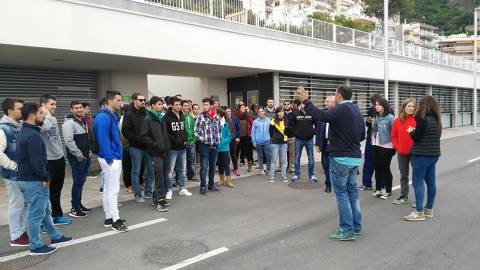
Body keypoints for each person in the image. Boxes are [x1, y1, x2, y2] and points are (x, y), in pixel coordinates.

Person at [297, 85, 365, 241]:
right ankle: (356, 226)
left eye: (335, 95)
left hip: (341, 158)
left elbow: (321, 115)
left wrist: (306, 101)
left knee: (341, 194)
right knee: (352, 193)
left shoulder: (341, 109)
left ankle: (347, 230)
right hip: (354, 157)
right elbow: (362, 135)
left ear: (339, 96)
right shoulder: (356, 111)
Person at [17, 102, 73, 255]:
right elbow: (37, 161)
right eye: (42, 113)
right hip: (33, 180)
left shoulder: (27, 131)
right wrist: (45, 177)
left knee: (45, 210)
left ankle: (55, 236)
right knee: (36, 214)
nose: (45, 115)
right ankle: (35, 246)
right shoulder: (33, 135)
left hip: (31, 179)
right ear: (32, 116)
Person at [94, 90, 128, 232]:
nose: (121, 103)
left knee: (108, 188)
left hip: (112, 156)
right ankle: (115, 220)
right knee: (113, 190)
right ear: (110, 101)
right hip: (110, 158)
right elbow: (103, 140)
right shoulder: (103, 117)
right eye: (118, 100)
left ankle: (109, 217)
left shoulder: (111, 115)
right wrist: (109, 158)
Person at [404, 96, 442, 221]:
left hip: (421, 155)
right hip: (434, 154)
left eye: (419, 104)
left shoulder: (421, 118)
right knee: (431, 182)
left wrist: (410, 131)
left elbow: (417, 138)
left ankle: (419, 212)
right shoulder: (436, 119)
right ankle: (429, 209)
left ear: (423, 105)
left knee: (417, 182)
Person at [0, 98, 29, 247]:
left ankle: (21, 231)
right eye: (20, 109)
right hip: (13, 175)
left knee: (24, 204)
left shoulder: (19, 126)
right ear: (10, 111)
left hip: (23, 175)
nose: (23, 111)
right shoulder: (3, 128)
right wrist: (15, 167)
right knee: (16, 204)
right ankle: (15, 236)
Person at [39, 95, 71, 226]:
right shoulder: (40, 118)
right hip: (47, 160)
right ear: (43, 105)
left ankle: (57, 215)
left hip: (58, 158)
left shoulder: (52, 118)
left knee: (56, 189)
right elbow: (43, 129)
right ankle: (44, 221)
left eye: (55, 104)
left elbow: (56, 139)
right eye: (52, 104)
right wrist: (47, 116)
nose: (55, 107)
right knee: (44, 192)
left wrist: (61, 155)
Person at [122, 92, 154, 203]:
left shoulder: (147, 113)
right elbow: (125, 131)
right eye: (141, 100)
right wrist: (139, 139)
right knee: (135, 171)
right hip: (135, 147)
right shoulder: (128, 114)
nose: (143, 102)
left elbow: (151, 128)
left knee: (150, 171)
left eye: (144, 100)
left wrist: (150, 141)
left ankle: (148, 191)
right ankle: (137, 194)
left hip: (148, 147)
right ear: (134, 100)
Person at [140, 96, 171, 212]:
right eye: (158, 104)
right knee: (159, 176)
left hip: (164, 152)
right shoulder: (148, 118)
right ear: (152, 105)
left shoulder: (161, 117)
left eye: (161, 104)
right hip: (155, 153)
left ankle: (157, 198)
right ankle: (160, 201)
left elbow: (164, 135)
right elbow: (144, 136)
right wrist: (155, 145)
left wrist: (167, 145)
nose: (161, 106)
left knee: (163, 175)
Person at [63, 100, 91, 218]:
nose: (79, 109)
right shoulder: (68, 124)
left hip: (85, 157)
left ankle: (78, 204)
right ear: (71, 109)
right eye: (76, 108)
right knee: (77, 182)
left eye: (80, 107)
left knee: (81, 181)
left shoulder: (82, 121)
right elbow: (69, 141)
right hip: (77, 158)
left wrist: (88, 153)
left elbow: (85, 140)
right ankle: (74, 208)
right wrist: (79, 155)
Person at [164, 97, 192, 200]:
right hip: (172, 148)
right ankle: (169, 190)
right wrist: (176, 141)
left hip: (183, 147)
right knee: (170, 170)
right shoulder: (166, 117)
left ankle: (182, 188)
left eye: (179, 104)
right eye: (176, 105)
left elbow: (183, 130)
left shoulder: (181, 116)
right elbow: (166, 133)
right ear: (171, 105)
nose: (178, 106)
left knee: (182, 169)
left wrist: (184, 139)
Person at [391, 98, 416, 205]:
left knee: (417, 176)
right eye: (408, 106)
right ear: (404, 107)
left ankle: (418, 199)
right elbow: (394, 136)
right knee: (404, 175)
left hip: (415, 153)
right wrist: (398, 147)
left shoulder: (417, 120)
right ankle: (404, 196)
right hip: (402, 153)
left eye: (412, 106)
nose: (411, 108)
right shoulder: (397, 121)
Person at [194, 97, 222, 194]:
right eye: (204, 105)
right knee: (204, 167)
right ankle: (203, 186)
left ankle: (211, 185)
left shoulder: (216, 116)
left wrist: (219, 139)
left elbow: (219, 129)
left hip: (215, 145)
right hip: (204, 146)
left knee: (213, 166)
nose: (204, 107)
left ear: (211, 105)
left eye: (206, 105)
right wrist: (203, 139)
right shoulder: (200, 117)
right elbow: (195, 132)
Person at [370, 97, 396, 200]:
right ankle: (379, 189)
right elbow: (374, 131)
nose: (376, 106)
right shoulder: (377, 117)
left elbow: (394, 133)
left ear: (384, 105)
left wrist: (394, 148)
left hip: (386, 146)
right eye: (375, 105)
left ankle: (388, 191)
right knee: (377, 168)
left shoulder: (390, 118)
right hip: (376, 144)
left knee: (385, 168)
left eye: (378, 105)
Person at [289, 98, 317, 182]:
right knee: (297, 158)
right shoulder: (295, 114)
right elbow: (291, 125)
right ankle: (297, 175)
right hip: (298, 140)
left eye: (305, 105)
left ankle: (311, 175)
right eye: (302, 105)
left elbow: (317, 125)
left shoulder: (312, 114)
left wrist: (313, 132)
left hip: (309, 139)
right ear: (300, 105)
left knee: (311, 158)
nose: (303, 106)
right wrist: (296, 133)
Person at [360, 94, 381, 190]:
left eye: (375, 104)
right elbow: (367, 124)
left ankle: (382, 186)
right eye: (373, 104)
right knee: (368, 161)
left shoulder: (388, 111)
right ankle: (366, 184)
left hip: (381, 141)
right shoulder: (371, 110)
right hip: (370, 139)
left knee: (380, 164)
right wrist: (368, 121)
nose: (374, 106)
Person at [315, 96, 335, 193]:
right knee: (325, 165)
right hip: (324, 144)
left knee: (335, 166)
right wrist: (317, 144)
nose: (325, 103)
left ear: (333, 102)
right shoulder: (323, 115)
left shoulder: (338, 114)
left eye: (327, 101)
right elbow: (318, 130)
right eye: (325, 102)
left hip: (335, 145)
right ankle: (328, 184)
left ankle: (335, 184)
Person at [269, 106, 288, 183]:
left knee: (283, 160)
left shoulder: (286, 120)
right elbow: (270, 131)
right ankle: (272, 175)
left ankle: (284, 175)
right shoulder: (273, 121)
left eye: (282, 111)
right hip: (275, 143)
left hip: (284, 143)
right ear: (277, 113)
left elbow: (288, 130)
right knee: (273, 160)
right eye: (280, 112)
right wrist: (273, 138)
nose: (281, 113)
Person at [216, 108, 234, 188]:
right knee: (219, 164)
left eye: (216, 114)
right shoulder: (215, 123)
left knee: (226, 164)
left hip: (225, 148)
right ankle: (221, 180)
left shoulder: (226, 124)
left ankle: (229, 181)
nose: (215, 115)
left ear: (220, 114)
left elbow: (229, 137)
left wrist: (221, 142)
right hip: (217, 148)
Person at [251, 107, 271, 175]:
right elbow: (253, 132)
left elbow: (271, 131)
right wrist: (254, 141)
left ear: (264, 112)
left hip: (267, 141)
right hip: (258, 142)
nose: (261, 113)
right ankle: (261, 169)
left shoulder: (268, 120)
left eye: (262, 111)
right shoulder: (255, 121)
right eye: (259, 112)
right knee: (260, 156)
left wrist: (271, 139)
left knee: (268, 155)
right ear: (258, 113)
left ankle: (268, 169)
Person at [236, 104, 254, 171]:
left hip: (247, 137)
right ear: (239, 108)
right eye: (242, 107)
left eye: (244, 107)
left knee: (249, 151)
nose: (244, 108)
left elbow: (253, 125)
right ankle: (235, 167)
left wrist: (252, 134)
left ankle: (250, 165)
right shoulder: (236, 116)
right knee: (236, 152)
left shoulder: (248, 116)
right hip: (238, 137)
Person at [183, 100, 197, 181]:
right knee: (181, 162)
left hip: (191, 142)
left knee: (190, 160)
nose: (187, 107)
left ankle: (190, 176)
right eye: (185, 105)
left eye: (188, 106)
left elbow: (194, 128)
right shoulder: (181, 116)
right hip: (183, 142)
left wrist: (194, 139)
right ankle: (180, 177)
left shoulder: (191, 116)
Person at [226, 107, 241, 176]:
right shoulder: (223, 119)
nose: (228, 113)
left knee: (233, 154)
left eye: (229, 111)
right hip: (225, 140)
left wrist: (238, 137)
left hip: (233, 139)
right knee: (226, 154)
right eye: (227, 111)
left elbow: (238, 128)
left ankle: (236, 169)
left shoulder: (234, 118)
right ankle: (227, 168)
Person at [285, 100, 297, 174]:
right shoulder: (281, 113)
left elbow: (296, 124)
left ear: (290, 105)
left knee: (292, 153)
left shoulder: (294, 114)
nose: (286, 105)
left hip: (292, 136)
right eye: (285, 104)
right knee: (284, 153)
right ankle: (285, 166)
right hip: (284, 137)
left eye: (288, 104)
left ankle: (291, 168)